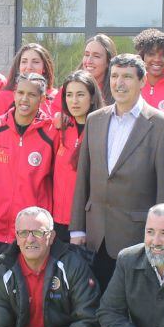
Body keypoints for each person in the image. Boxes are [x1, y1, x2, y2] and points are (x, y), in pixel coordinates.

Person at [70, 54, 164, 290]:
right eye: (115, 76)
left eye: (127, 77)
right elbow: (84, 178)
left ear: (142, 82)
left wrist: (163, 238)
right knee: (95, 307)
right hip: (95, 236)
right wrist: (78, 228)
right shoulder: (95, 120)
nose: (119, 83)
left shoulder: (163, 125)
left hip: (137, 239)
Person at [0, 73, 57, 273]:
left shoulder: (51, 132)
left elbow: (57, 184)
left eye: (32, 95)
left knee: (31, 293)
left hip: (33, 234)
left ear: (42, 99)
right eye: (20, 93)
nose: (24, 99)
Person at [53, 71, 103, 241]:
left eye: (80, 94)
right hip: (57, 222)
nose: (74, 101)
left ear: (92, 97)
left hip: (86, 224)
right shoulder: (60, 129)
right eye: (69, 95)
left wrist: (81, 227)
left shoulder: (102, 129)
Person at [0, 43, 58, 119]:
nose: (29, 67)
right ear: (18, 66)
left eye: (35, 62)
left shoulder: (56, 97)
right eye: (24, 62)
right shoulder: (3, 97)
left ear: (44, 67)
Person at [79, 34, 116, 103]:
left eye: (96, 56)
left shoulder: (117, 91)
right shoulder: (70, 87)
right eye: (87, 55)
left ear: (108, 62)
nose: (89, 61)